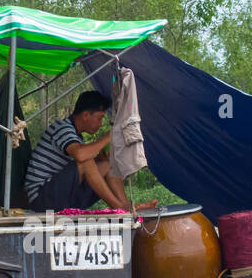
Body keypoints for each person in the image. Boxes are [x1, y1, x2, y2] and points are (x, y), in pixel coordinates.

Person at [24, 91, 155, 212]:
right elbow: (80, 156)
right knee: (85, 161)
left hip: (61, 197)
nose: (100, 123)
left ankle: (125, 205)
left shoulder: (76, 137)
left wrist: (100, 158)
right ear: (86, 115)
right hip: (41, 198)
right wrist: (107, 137)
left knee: (107, 164)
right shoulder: (62, 128)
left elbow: (80, 166)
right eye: (99, 118)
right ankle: (120, 207)